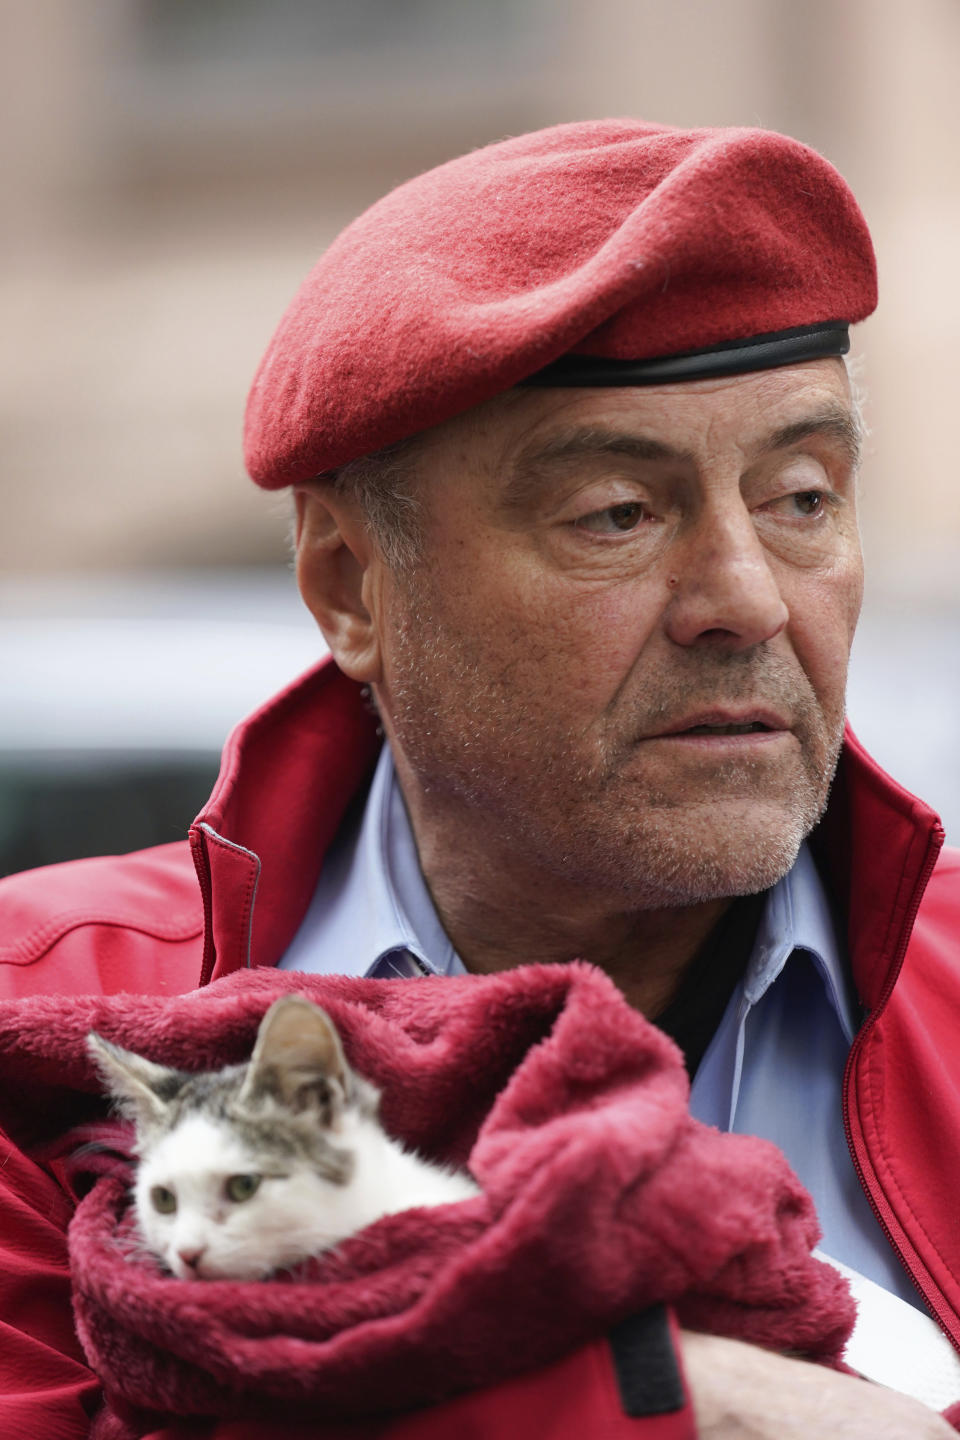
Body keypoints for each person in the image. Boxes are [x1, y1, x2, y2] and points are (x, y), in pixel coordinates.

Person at [1, 119, 958, 1440]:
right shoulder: (39, 1022)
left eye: (802, 495)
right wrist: (675, 1406)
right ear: (351, 585)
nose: (746, 598)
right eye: (618, 513)